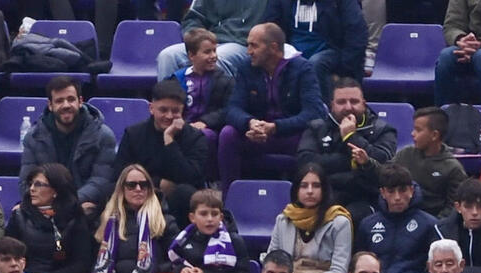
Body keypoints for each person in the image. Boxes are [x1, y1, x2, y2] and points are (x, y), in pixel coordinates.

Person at [221, 22, 324, 183]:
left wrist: (275, 127)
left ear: (273, 47)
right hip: (257, 134)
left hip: (290, 135)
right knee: (228, 134)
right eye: (248, 45)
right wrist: (250, 123)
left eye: (254, 46)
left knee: (310, 137)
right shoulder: (246, 68)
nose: (249, 52)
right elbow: (232, 108)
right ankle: (228, 201)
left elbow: (314, 113)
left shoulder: (303, 69)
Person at [296, 76, 397, 223]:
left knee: (343, 219)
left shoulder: (383, 129)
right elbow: (305, 163)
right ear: (332, 105)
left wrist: (350, 136)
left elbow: (382, 164)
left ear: (364, 103)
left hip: (366, 199)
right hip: (325, 195)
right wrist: (353, 163)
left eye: (354, 101)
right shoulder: (316, 128)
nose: (348, 107)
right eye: (341, 102)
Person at [19, 76, 117, 220]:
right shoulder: (33, 137)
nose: (66, 105)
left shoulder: (103, 135)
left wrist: (69, 204)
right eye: (59, 101)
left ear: (80, 101)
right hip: (46, 207)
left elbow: (101, 181)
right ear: (50, 105)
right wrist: (51, 204)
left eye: (71, 99)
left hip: (85, 209)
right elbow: (26, 182)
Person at [115, 80, 209, 222]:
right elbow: (120, 173)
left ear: (183, 110)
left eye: (175, 111)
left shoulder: (195, 137)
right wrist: (157, 183)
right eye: (163, 110)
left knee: (184, 192)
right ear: (151, 108)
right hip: (141, 192)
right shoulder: (134, 134)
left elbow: (191, 177)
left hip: (179, 203)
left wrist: (169, 140)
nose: (169, 116)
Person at [269, 162, 353, 273]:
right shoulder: (284, 220)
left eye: (316, 185)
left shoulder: (339, 222)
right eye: (303, 185)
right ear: (296, 189)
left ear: (324, 189)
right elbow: (272, 260)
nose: (309, 191)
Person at [4, 164, 94, 273]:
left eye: (39, 184)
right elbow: (6, 256)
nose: (32, 188)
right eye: (31, 183)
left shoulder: (75, 218)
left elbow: (81, 265)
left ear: (56, 191)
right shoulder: (19, 216)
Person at [91, 164, 180, 273]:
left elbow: (176, 259)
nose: (138, 189)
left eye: (143, 185)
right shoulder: (106, 222)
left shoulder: (165, 221)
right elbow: (92, 263)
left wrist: (155, 271)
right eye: (131, 185)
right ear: (121, 189)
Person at [357, 163, 438, 273]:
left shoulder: (430, 225)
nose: (397, 197)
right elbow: (358, 264)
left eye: (402, 190)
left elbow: (434, 269)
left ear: (411, 191)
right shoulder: (367, 225)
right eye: (391, 191)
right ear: (383, 193)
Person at [265, 0, 368, 100]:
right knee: (253, 57)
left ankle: (322, 113)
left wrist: (343, 72)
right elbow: (269, 29)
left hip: (331, 52)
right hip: (290, 53)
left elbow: (357, 35)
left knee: (315, 63)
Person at [173, 28, 236, 190]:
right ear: (191, 56)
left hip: (209, 129)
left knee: (204, 136)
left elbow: (228, 109)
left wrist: (205, 122)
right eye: (207, 52)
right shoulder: (177, 78)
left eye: (214, 51)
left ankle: (210, 182)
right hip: (181, 126)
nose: (213, 56)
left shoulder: (225, 80)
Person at [156, 0, 272, 79]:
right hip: (210, 40)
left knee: (216, 57)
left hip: (244, 45)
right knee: (168, 56)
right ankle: (170, 110)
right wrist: (198, 40)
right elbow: (192, 19)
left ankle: (211, 113)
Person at [393, 106, 468, 219]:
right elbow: (385, 176)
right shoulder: (405, 154)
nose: (413, 134)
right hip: (402, 217)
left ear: (434, 135)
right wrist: (367, 163)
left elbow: (453, 207)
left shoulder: (453, 168)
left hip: (433, 223)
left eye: (418, 130)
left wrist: (435, 225)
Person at [167, 188, 252, 273]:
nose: (210, 219)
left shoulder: (235, 241)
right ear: (192, 218)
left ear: (221, 217)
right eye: (203, 214)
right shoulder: (182, 239)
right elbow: (167, 266)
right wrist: (181, 270)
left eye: (214, 214)